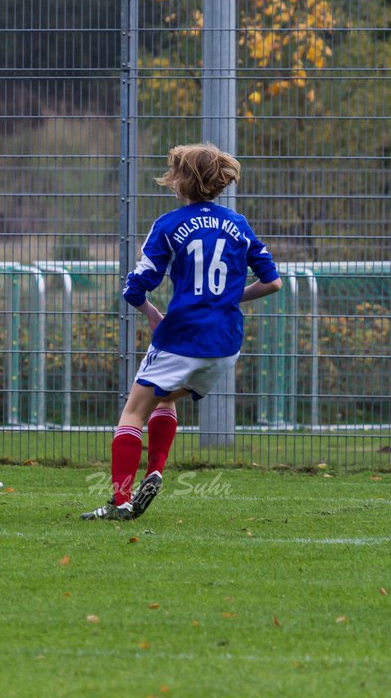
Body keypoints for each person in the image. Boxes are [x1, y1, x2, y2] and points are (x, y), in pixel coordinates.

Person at [81, 143, 282, 521]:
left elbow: (135, 288)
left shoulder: (169, 224)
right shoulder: (238, 224)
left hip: (181, 336)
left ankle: (120, 502)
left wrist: (152, 312)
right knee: (166, 399)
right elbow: (273, 283)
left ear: (182, 181)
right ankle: (155, 469)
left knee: (132, 413)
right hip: (225, 344)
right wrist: (229, 298)